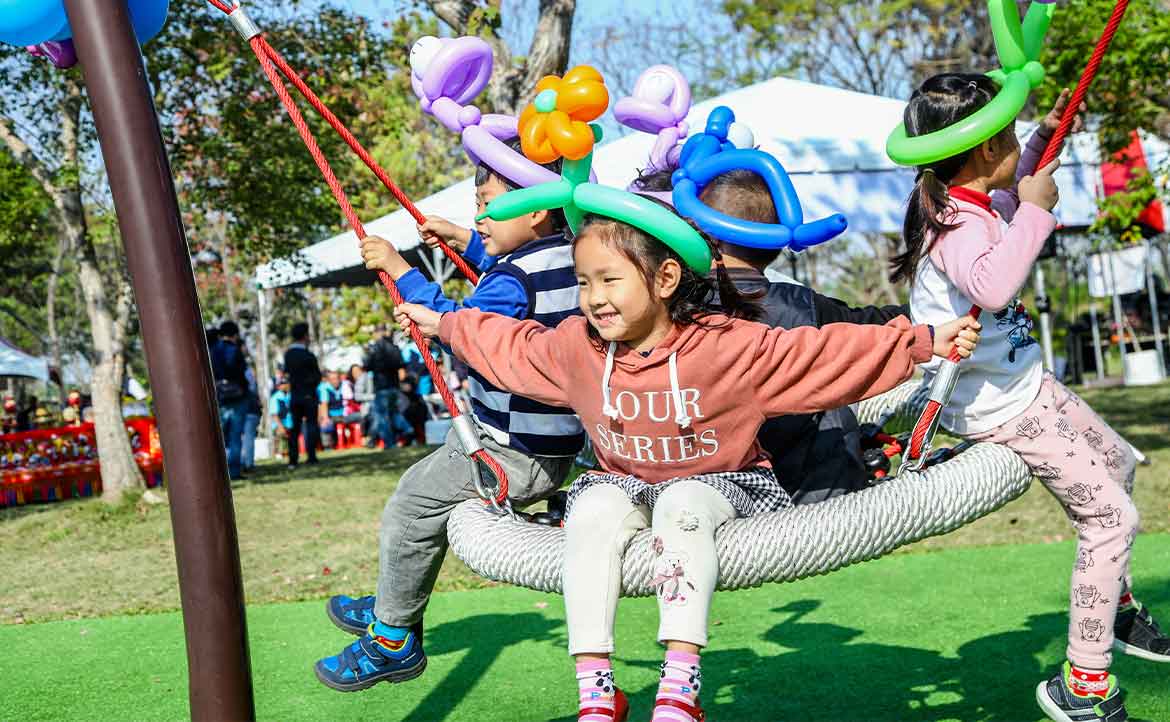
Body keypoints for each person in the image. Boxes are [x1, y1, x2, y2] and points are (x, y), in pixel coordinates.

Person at [395, 194, 980, 720]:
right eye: (583, 282)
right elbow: (509, 345)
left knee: (681, 499)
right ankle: (597, 687)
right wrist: (444, 323)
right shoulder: (577, 349)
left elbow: (821, 353)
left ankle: (679, 686)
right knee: (591, 505)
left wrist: (924, 342)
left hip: (724, 486)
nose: (593, 298)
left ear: (666, 277)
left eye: (609, 281)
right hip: (629, 486)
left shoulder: (727, 348)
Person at [893, 77, 1169, 722]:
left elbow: (1014, 192)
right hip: (997, 408)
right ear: (987, 148)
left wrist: (1044, 137)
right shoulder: (956, 222)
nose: (1019, 146)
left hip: (1028, 384)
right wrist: (1039, 210)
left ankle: (1116, 610)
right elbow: (991, 288)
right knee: (1113, 520)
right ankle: (1085, 682)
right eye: (1013, 139)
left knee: (1121, 465)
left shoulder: (974, 198)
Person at [314, 139, 586, 693]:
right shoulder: (568, 256)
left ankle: (393, 637)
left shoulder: (514, 278)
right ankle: (395, 594)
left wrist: (399, 268)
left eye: (486, 205)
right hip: (551, 444)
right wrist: (463, 240)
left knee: (411, 508)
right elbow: (510, 271)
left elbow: (460, 328)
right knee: (421, 503)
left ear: (532, 211)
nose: (479, 217)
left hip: (511, 452)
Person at [632, 165, 907, 503]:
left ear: (706, 234)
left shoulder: (673, 309)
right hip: (812, 492)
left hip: (707, 488)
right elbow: (882, 324)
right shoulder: (805, 306)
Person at [210, 320, 250, 480]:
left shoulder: (213, 350)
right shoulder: (235, 350)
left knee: (220, 435)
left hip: (220, 395)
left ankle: (219, 471)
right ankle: (234, 470)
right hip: (237, 395)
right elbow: (241, 371)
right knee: (235, 436)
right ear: (234, 334)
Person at [282, 322, 322, 469]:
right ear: (305, 336)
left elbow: (287, 374)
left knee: (295, 428)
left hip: (295, 396)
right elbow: (317, 376)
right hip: (309, 395)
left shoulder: (288, 354)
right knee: (311, 425)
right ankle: (311, 456)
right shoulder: (308, 355)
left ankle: (293, 459)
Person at [363, 325, 408, 448]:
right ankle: (407, 429)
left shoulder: (375, 348)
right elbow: (402, 369)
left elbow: (366, 365)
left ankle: (390, 443)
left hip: (382, 386)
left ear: (377, 333)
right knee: (393, 413)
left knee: (382, 416)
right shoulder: (394, 348)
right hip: (394, 386)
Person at [241, 367, 262, 473]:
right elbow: (253, 390)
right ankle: (248, 464)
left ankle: (241, 464)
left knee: (238, 439)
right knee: (248, 438)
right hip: (249, 410)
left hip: (241, 409)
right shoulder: (248, 372)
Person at [268, 374, 294, 460]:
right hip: (279, 423)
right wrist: (281, 426)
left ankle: (292, 451)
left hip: (290, 422)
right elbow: (274, 415)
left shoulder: (291, 395)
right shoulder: (275, 398)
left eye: (286, 383)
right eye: (282, 384)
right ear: (278, 386)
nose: (285, 385)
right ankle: (278, 453)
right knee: (279, 433)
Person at [318, 370, 345, 448]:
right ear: (328, 380)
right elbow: (324, 404)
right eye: (332, 379)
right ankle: (328, 446)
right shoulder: (324, 389)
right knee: (326, 424)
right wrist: (325, 418)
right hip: (331, 416)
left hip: (345, 415)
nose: (335, 381)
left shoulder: (344, 386)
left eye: (337, 378)